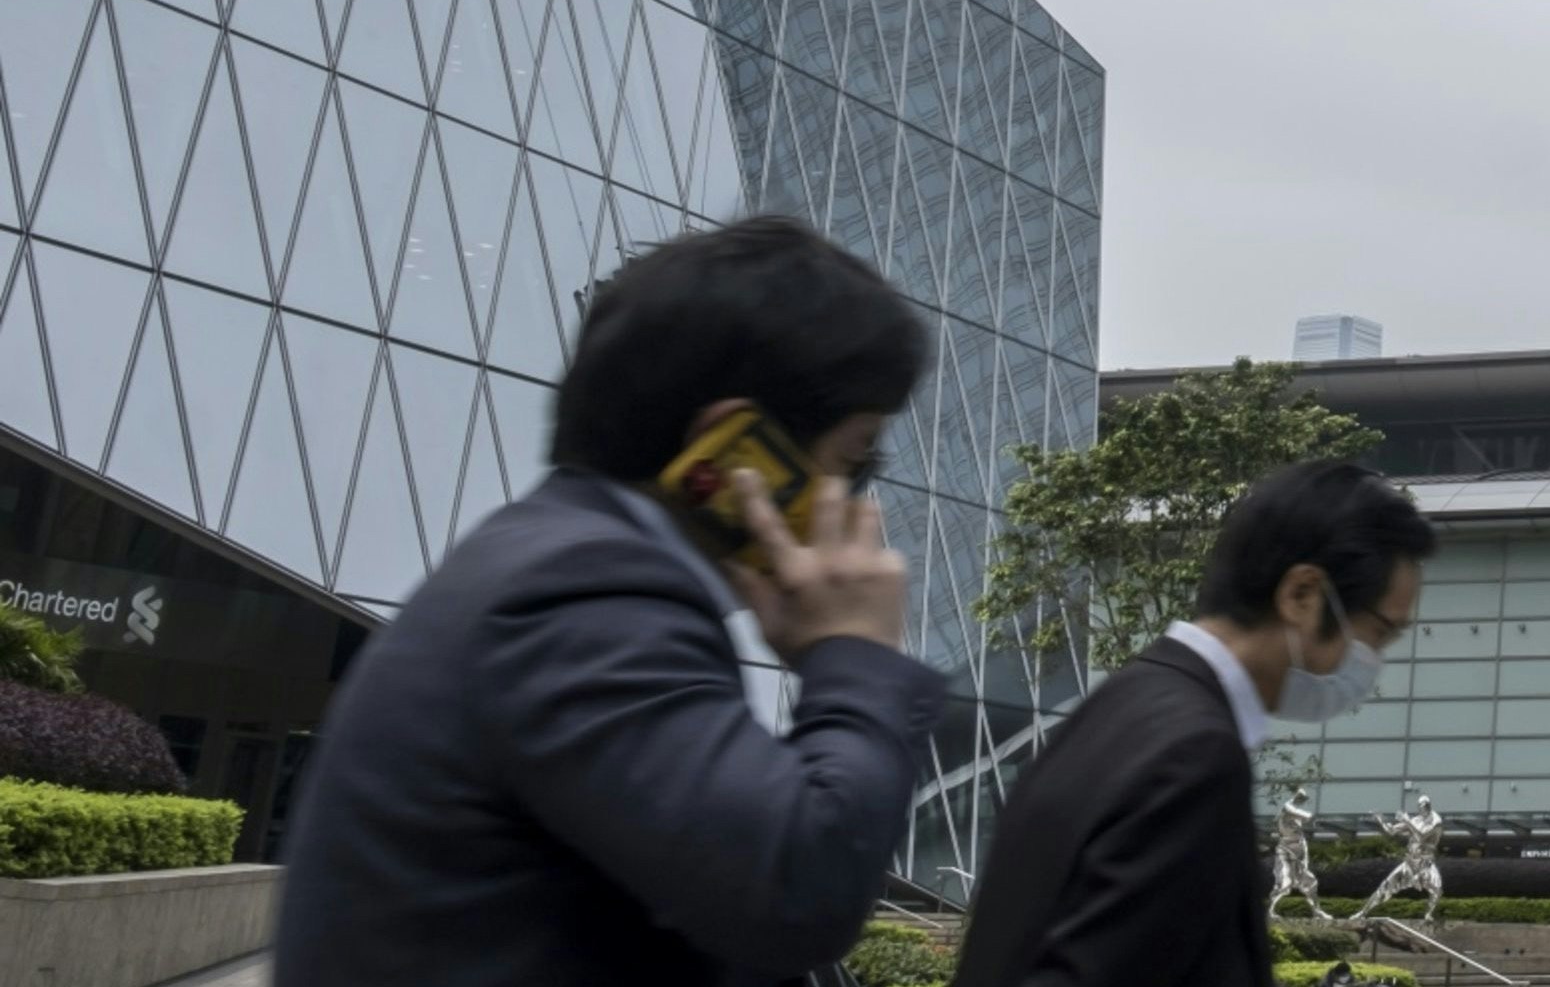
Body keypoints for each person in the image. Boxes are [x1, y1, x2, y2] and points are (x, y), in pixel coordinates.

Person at [275, 216, 943, 987]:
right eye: (852, 458)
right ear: (732, 455)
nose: (860, 510)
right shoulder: (584, 595)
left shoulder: (553, 561)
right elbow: (797, 889)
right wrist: (855, 659)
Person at [950, 455, 1436, 987]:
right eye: (1379, 632)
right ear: (1301, 595)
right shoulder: (1195, 758)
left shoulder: (1121, 705)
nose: (1374, 661)